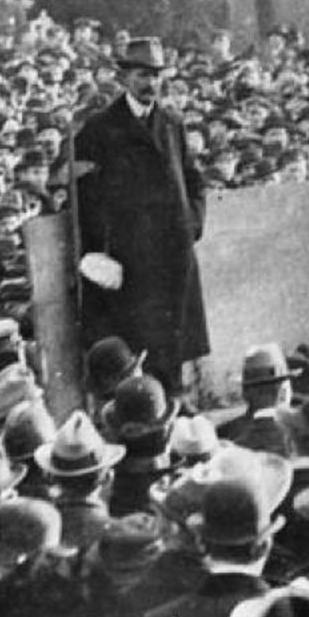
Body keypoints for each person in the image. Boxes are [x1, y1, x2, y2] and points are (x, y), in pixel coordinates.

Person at [74, 37, 210, 390]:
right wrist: (100, 253)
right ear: (124, 79)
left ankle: (176, 403)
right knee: (138, 345)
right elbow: (85, 198)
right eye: (140, 75)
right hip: (130, 259)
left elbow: (194, 179)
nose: (150, 84)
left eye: (155, 75)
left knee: (174, 342)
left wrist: (192, 223)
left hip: (174, 253)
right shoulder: (100, 129)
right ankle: (146, 406)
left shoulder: (172, 123)